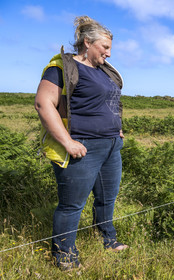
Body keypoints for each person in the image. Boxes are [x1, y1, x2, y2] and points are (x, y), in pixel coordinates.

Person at [34, 15, 128, 270]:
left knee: (107, 198)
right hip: (82, 147)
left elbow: (110, 103)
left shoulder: (105, 72)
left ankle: (109, 240)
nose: (108, 54)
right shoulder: (61, 68)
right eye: (105, 47)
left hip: (111, 146)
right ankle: (65, 255)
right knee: (72, 204)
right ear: (87, 42)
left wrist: (117, 130)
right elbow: (44, 104)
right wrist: (68, 143)